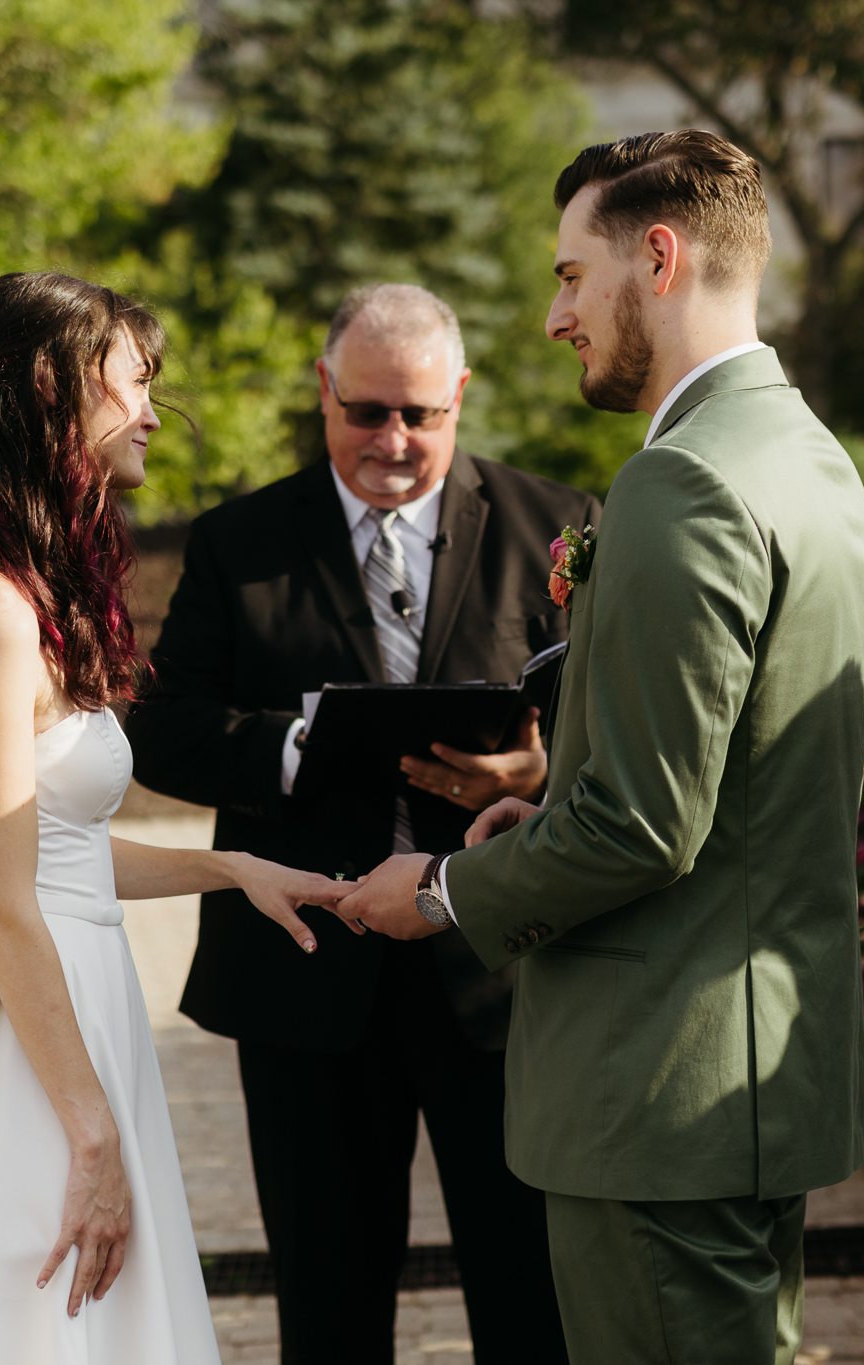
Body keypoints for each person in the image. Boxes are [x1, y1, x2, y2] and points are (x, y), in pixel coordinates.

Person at [336, 131, 864, 1364]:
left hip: (661, 1091)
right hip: (750, 1073)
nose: (553, 316)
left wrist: (434, 893)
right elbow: (732, 778)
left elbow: (642, 828)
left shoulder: (680, 483)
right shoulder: (806, 457)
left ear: (657, 256)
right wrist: (553, 797)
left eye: (571, 275)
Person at [0, 273, 347, 1364]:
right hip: (20, 1037)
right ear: (52, 385)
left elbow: (60, 855)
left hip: (76, 1003)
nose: (151, 411)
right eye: (134, 380)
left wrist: (233, 870)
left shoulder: (34, 599)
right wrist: (88, 1132)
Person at [125, 284, 591, 1364]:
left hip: (503, 982)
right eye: (366, 410)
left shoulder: (560, 525)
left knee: (533, 1295)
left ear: (459, 398)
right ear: (323, 392)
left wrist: (543, 767)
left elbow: (626, 727)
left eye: (419, 415)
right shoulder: (238, 542)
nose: (391, 439)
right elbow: (162, 731)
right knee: (327, 1310)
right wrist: (297, 747)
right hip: (304, 978)